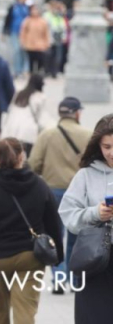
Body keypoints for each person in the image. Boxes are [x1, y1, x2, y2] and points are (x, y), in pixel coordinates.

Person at [0, 137, 63, 324]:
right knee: (25, 312)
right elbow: (53, 222)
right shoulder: (39, 184)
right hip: (30, 255)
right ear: (22, 156)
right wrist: (58, 255)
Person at [29, 96, 93, 292]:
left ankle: (58, 277)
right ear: (77, 113)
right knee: (76, 236)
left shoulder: (47, 135)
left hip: (52, 191)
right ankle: (75, 279)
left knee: (55, 235)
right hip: (80, 192)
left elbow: (34, 164)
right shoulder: (88, 135)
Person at [58, 114, 113, 323]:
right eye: (106, 146)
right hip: (96, 259)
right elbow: (68, 214)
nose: (111, 153)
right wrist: (95, 213)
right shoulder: (85, 175)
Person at [0, 74, 51, 154]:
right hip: (28, 131)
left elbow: (10, 110)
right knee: (28, 156)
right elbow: (40, 118)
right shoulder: (40, 97)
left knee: (15, 155)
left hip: (12, 128)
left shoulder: (19, 93)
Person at [4, 0, 31, 77]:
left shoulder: (28, 7)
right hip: (15, 31)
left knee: (24, 52)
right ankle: (16, 70)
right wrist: (5, 31)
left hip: (26, 33)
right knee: (16, 51)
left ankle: (23, 70)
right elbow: (8, 19)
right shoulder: (13, 6)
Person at [20, 4, 51, 75]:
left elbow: (46, 33)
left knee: (40, 62)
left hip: (40, 45)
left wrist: (47, 43)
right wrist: (23, 42)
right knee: (31, 62)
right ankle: (31, 75)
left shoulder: (43, 22)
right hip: (30, 45)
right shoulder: (27, 21)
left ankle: (38, 76)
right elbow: (23, 32)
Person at [44, 0, 67, 78]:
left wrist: (64, 36)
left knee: (58, 56)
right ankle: (48, 71)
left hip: (58, 38)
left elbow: (64, 27)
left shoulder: (59, 16)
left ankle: (55, 72)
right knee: (49, 55)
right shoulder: (46, 15)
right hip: (49, 37)